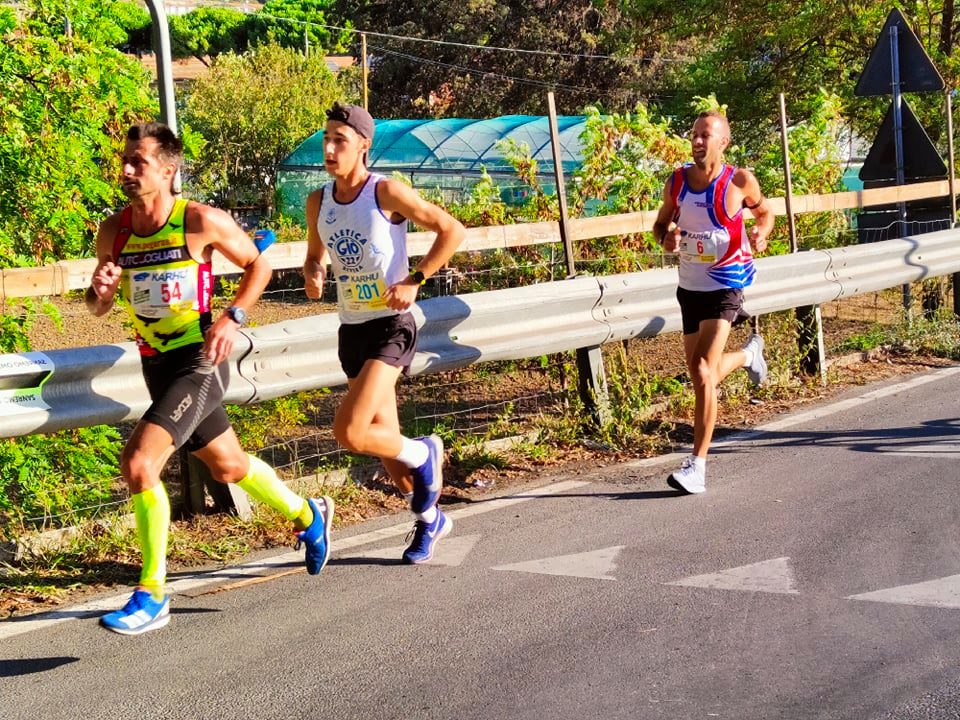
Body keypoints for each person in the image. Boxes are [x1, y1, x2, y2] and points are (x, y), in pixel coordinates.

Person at [87, 122, 334, 635]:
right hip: (156, 365)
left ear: (167, 170)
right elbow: (96, 308)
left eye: (139, 161)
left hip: (200, 361)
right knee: (228, 466)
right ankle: (308, 516)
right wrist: (101, 291)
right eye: (125, 161)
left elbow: (258, 267)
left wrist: (232, 317)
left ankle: (152, 593)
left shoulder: (199, 220)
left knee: (139, 463)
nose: (127, 170)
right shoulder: (114, 231)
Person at [303, 103, 464, 564]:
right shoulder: (318, 201)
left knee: (351, 431)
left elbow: (451, 231)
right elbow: (314, 255)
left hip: (392, 327)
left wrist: (416, 279)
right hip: (352, 329)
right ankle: (431, 520)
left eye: (340, 140)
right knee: (389, 448)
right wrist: (314, 271)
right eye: (326, 139)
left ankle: (426, 452)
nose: (329, 149)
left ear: (362, 146)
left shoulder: (385, 192)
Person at [652, 109, 774, 495]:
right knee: (699, 374)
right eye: (694, 134)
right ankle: (749, 355)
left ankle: (697, 467)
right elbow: (660, 225)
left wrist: (760, 232)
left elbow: (766, 213)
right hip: (690, 287)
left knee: (703, 370)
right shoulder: (677, 182)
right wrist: (667, 237)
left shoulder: (739, 181)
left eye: (706, 135)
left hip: (726, 284)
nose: (697, 141)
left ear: (724, 142)